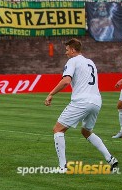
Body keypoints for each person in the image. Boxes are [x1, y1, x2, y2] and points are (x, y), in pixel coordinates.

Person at [44, 39, 118, 173]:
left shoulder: (73, 61)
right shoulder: (91, 62)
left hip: (82, 101)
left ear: (73, 50)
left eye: (67, 50)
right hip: (96, 101)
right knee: (86, 131)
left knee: (58, 129)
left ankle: (62, 167)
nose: (66, 53)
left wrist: (51, 94)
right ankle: (110, 158)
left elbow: (66, 81)